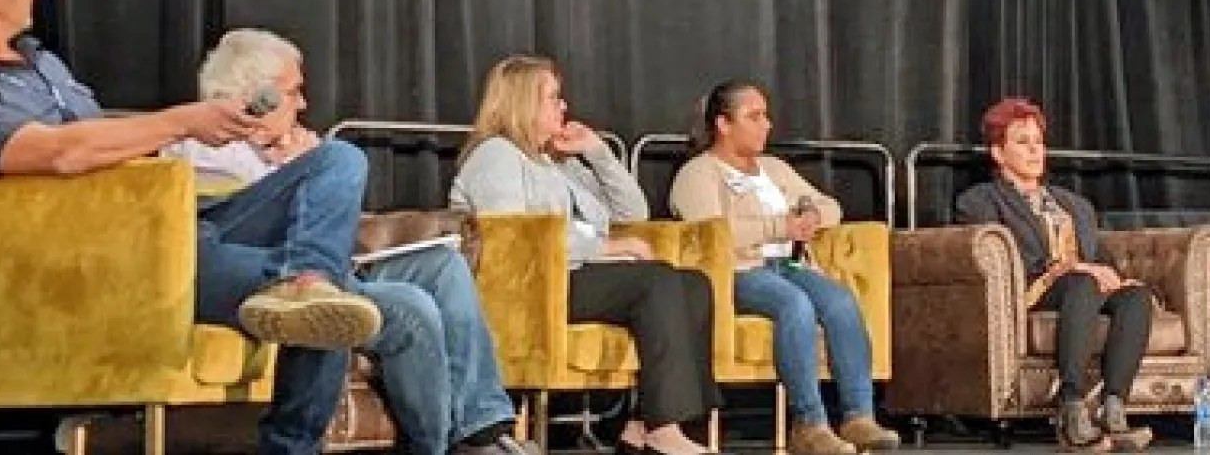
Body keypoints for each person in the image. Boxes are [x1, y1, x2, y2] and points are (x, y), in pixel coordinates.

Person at [0, 0, 390, 455]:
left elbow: (101, 140)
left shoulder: (42, 64)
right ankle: (294, 428)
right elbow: (63, 154)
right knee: (332, 304)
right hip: (110, 261)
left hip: (175, 229)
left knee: (339, 161)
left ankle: (307, 278)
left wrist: (204, 131)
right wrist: (183, 121)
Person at [163, 28, 535, 455]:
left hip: (321, 260)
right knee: (405, 303)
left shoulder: (286, 152)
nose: (303, 104)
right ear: (256, 97)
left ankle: (480, 428)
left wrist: (297, 167)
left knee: (443, 264)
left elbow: (328, 225)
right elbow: (218, 222)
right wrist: (285, 165)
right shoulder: (200, 145)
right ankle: (436, 446)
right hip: (240, 256)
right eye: (293, 92)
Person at [448, 55, 723, 455]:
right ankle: (664, 428)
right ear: (523, 103)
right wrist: (609, 247)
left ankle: (644, 426)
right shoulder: (497, 156)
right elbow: (516, 239)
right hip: (530, 289)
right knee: (656, 280)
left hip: (577, 273)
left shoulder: (553, 161)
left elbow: (632, 213)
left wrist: (596, 153)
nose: (564, 107)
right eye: (553, 98)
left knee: (693, 283)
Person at [666, 80, 899, 455]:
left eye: (765, 115)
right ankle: (809, 421)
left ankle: (859, 416)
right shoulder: (699, 173)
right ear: (723, 124)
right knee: (795, 305)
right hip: (736, 272)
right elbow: (712, 234)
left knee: (841, 302)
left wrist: (810, 215)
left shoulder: (773, 169)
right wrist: (779, 226)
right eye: (754, 116)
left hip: (788, 264)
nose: (767, 125)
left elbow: (831, 206)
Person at [951, 97, 1153, 452]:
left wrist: (1116, 277)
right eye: (1022, 142)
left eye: (1038, 142)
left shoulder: (1073, 204)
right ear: (998, 153)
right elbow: (1014, 256)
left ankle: (1113, 408)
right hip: (1032, 287)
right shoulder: (980, 201)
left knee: (1135, 296)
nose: (1034, 151)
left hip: (1080, 283)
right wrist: (1078, 269)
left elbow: (1094, 254)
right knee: (1083, 282)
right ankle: (1071, 407)